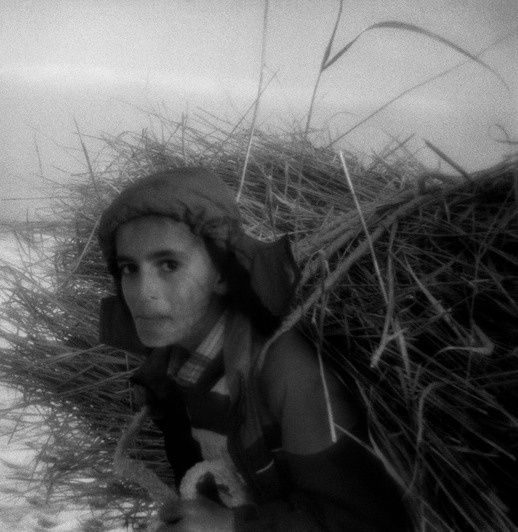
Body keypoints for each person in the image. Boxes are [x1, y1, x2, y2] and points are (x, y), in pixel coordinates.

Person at [96, 167, 409, 531]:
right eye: (129, 269)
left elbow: (367, 522)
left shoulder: (286, 372)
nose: (142, 291)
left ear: (223, 272)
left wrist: (231, 525)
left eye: (169, 265)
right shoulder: (171, 372)